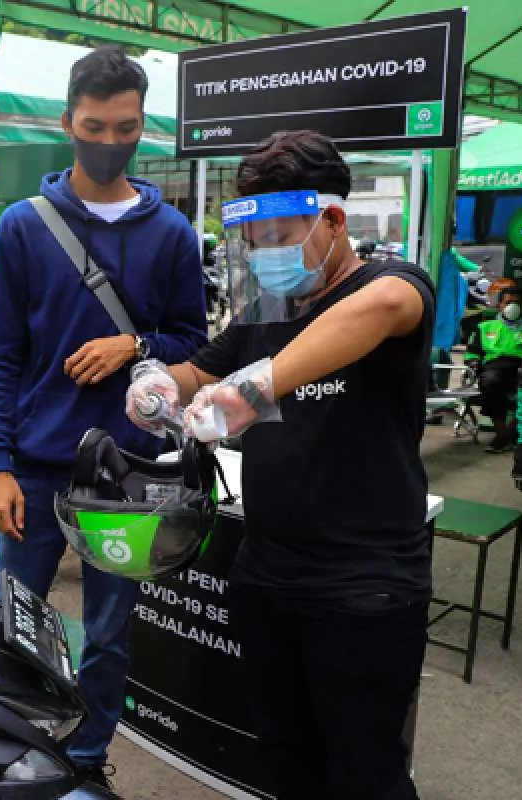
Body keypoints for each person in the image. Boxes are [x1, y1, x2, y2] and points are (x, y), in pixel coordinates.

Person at [126, 130, 434, 800]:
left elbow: (384, 307)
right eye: (254, 241)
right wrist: (155, 383)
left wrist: (255, 388)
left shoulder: (391, 287)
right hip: (266, 577)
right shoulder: (265, 314)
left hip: (363, 588)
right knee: (285, 760)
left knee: (365, 773)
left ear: (333, 221)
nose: (266, 254)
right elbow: (196, 371)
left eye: (279, 236)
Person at [0, 44, 207, 786]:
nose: (110, 142)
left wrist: (134, 345)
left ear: (142, 127)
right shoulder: (24, 226)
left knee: (108, 636)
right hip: (36, 470)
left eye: (126, 129)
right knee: (8, 625)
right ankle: (3, 753)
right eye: (95, 127)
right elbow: (1, 357)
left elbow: (194, 343)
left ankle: (83, 763)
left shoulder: (172, 234)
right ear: (68, 123)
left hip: (128, 476)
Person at [466, 285, 522, 452]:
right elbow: (472, 353)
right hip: (494, 368)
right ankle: (503, 433)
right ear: (500, 305)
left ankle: (506, 436)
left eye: (517, 303)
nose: (512, 307)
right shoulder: (485, 327)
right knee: (490, 382)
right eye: (508, 302)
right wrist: (474, 364)